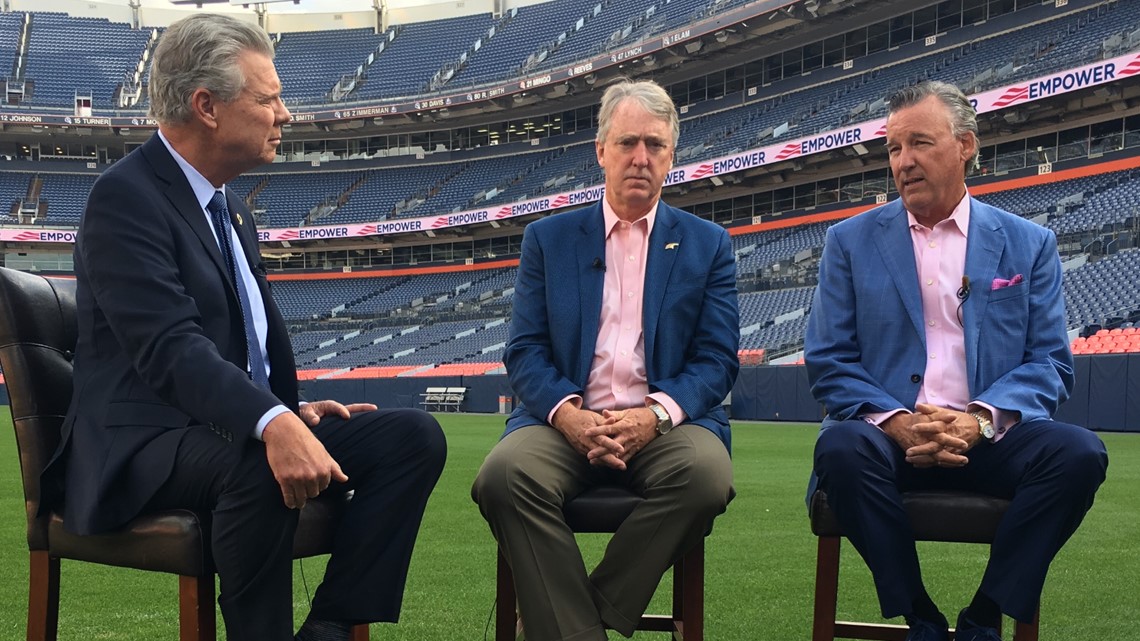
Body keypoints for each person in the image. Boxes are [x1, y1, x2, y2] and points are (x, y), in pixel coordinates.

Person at [40, 14, 446, 641]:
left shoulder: (232, 210)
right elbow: (171, 348)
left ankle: (330, 627)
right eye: (268, 98)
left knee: (411, 437)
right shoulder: (125, 198)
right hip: (141, 445)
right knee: (260, 461)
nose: (285, 114)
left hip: (220, 431)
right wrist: (271, 422)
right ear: (206, 106)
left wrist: (290, 410)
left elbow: (240, 347)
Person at [805, 80, 1108, 641]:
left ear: (966, 145)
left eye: (920, 143)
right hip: (890, 437)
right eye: (894, 148)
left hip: (988, 436)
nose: (904, 161)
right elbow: (828, 359)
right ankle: (920, 616)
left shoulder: (1029, 243)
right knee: (840, 447)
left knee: (1080, 453)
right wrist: (897, 422)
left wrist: (977, 420)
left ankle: (983, 617)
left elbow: (1050, 363)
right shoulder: (848, 241)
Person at [471, 79, 739, 641]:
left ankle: (570, 619)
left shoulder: (707, 243)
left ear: (671, 155)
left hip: (664, 427)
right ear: (601, 151)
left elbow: (716, 360)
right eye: (627, 143)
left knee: (706, 476)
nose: (640, 158)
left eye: (655, 145)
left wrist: (656, 415)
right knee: (505, 474)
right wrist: (569, 415)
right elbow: (524, 350)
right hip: (564, 422)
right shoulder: (548, 238)